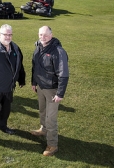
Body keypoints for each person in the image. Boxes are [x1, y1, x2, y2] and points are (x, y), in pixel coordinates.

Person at [31, 26, 69, 156]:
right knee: (42, 110)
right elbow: (35, 66)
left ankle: (52, 145)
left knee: (50, 118)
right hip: (41, 87)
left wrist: (60, 93)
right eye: (41, 34)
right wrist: (34, 82)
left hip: (52, 90)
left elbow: (63, 74)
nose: (43, 37)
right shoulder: (38, 47)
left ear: (51, 35)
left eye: (46, 35)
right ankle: (43, 129)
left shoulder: (58, 51)